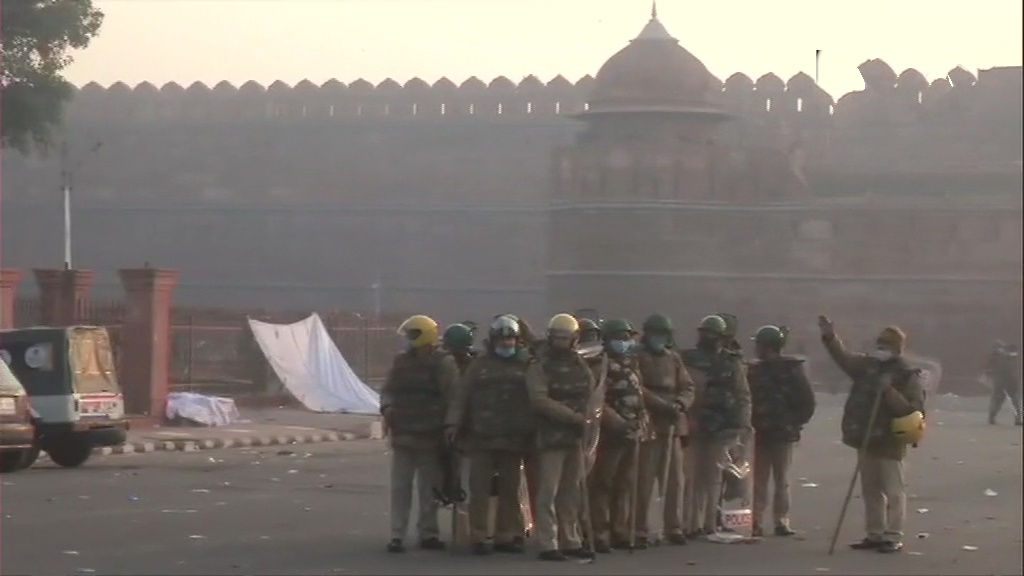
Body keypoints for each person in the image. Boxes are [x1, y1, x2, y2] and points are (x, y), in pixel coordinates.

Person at [818, 316, 926, 554]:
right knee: (870, 490)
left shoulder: (907, 375)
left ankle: (893, 535)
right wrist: (830, 338)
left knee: (893, 491)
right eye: (879, 344)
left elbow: (912, 411)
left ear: (897, 349)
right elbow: (844, 359)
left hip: (890, 440)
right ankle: (874, 533)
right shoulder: (868, 366)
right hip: (865, 437)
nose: (880, 349)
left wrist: (888, 391)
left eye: (885, 345)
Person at [445, 315, 535, 555]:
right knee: (480, 490)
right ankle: (478, 536)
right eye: (503, 338)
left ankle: (507, 535)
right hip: (481, 438)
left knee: (510, 490)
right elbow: (461, 396)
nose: (507, 343)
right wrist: (453, 424)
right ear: (493, 339)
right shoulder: (480, 365)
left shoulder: (526, 364)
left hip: (514, 439)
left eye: (511, 339)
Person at [380, 315, 459, 553]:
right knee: (400, 488)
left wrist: (450, 426)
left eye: (412, 335)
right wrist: (387, 408)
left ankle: (428, 532)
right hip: (404, 433)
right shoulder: (401, 362)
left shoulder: (443, 363)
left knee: (429, 489)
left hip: (430, 434)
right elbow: (388, 390)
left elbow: (453, 396)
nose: (407, 340)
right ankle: (397, 534)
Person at [526, 313, 597, 561]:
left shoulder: (580, 364)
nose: (560, 342)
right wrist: (571, 417)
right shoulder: (540, 365)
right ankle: (548, 542)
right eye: (556, 337)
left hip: (576, 436)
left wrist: (588, 419)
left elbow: (591, 393)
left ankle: (571, 538)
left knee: (571, 491)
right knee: (548, 491)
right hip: (550, 435)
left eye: (565, 337)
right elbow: (539, 399)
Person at [678, 315, 752, 537]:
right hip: (695, 424)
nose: (707, 338)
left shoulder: (732, 363)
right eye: (704, 333)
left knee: (714, 478)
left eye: (711, 334)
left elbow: (742, 395)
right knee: (692, 478)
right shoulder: (688, 360)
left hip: (723, 428)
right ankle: (689, 523)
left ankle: (710, 523)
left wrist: (743, 423)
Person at [747, 325, 816, 537]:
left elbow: (806, 401)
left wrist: (794, 423)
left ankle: (777, 520)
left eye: (758, 344)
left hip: (779, 433)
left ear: (767, 346)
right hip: (761, 432)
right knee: (765, 480)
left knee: (778, 479)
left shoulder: (790, 371)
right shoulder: (756, 370)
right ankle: (760, 520)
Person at [588, 319, 651, 552]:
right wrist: (617, 422)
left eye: (627, 338)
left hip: (632, 433)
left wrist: (642, 419)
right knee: (603, 484)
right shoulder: (600, 365)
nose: (624, 342)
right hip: (610, 434)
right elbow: (598, 402)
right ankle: (600, 532)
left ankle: (620, 530)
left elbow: (639, 394)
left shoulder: (631, 363)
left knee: (625, 484)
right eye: (619, 337)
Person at [634, 313, 695, 546]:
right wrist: (662, 405)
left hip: (673, 426)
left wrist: (680, 404)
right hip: (650, 425)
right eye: (654, 334)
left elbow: (688, 387)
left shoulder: (674, 359)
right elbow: (637, 387)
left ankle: (674, 526)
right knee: (644, 481)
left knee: (674, 482)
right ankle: (640, 527)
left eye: (662, 335)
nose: (658, 339)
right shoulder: (638, 358)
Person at [985, 341, 1022, 426]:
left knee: (999, 401)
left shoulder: (1000, 358)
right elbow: (1008, 372)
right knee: (1013, 401)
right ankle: (1017, 419)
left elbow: (992, 370)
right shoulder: (1005, 358)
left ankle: (992, 417)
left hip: (1002, 383)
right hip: (1007, 383)